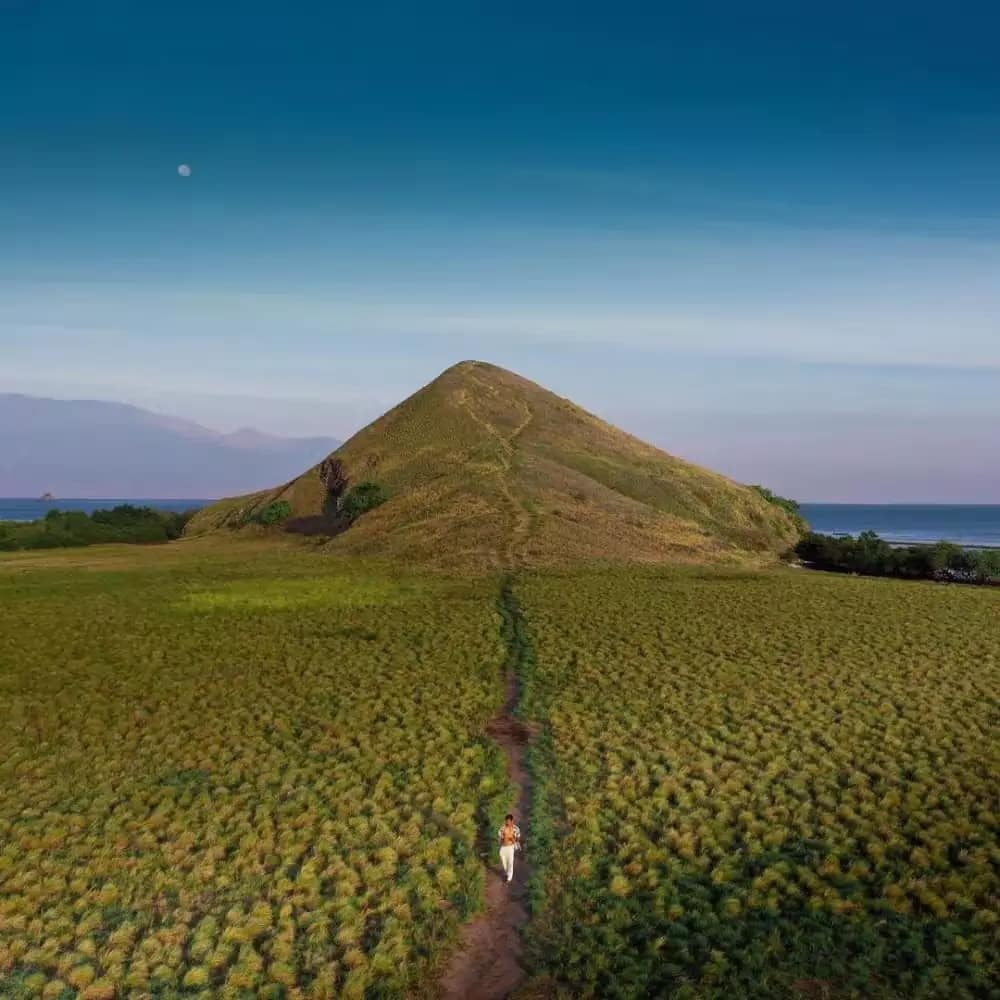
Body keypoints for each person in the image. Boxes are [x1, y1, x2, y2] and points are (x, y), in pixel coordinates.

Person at [497, 813, 521, 883]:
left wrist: (513, 839)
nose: (508, 822)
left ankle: (509, 877)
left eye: (509, 821)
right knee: (503, 862)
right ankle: (507, 872)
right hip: (503, 847)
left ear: (512, 821)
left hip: (511, 847)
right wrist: (501, 840)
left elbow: (518, 838)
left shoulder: (516, 829)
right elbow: (500, 838)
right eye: (506, 821)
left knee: (510, 862)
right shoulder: (502, 828)